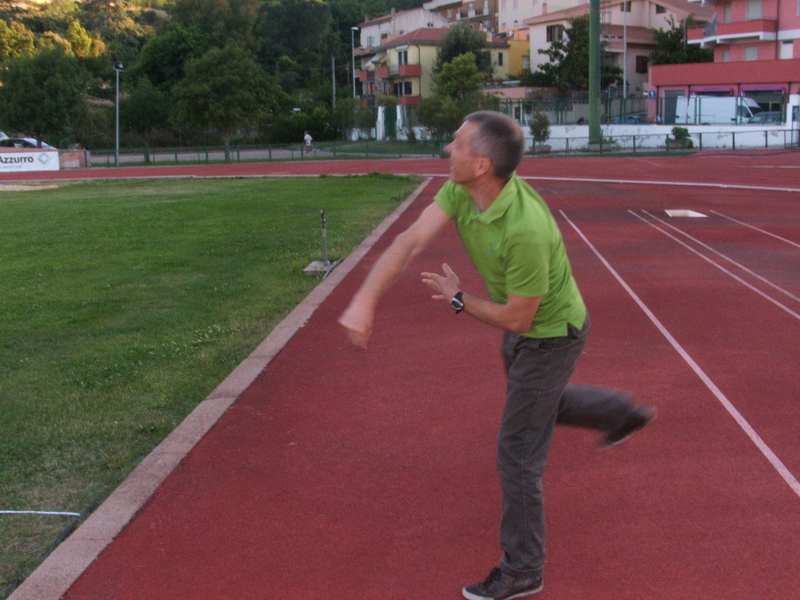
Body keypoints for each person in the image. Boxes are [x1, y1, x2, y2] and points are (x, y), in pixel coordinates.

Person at [338, 111, 656, 600]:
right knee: (534, 408)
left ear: (482, 165)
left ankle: (524, 569)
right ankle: (620, 412)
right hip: (524, 332)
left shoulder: (526, 229)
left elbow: (518, 320)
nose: (448, 149)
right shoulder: (461, 191)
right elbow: (410, 241)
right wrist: (365, 300)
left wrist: (461, 300)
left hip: (551, 335)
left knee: (518, 455)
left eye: (458, 144)